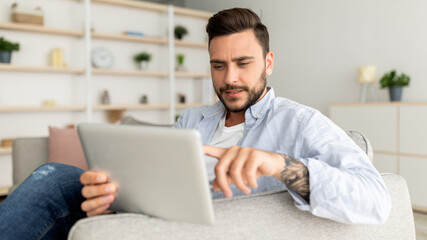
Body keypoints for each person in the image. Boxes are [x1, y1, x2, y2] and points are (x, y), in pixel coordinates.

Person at [0, 7, 390, 239]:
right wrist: (113, 203)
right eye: (218, 66)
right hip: (154, 222)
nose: (230, 78)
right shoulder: (193, 118)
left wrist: (279, 165)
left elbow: (376, 199)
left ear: (269, 63)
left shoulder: (300, 122)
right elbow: (157, 185)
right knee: (53, 177)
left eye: (243, 63)